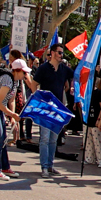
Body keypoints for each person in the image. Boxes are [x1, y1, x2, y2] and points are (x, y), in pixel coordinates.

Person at [30, 44, 72, 174]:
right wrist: (39, 99)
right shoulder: (43, 68)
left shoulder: (64, 69)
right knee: (44, 138)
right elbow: (33, 84)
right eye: (59, 53)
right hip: (46, 108)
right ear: (52, 53)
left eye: (62, 53)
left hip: (57, 109)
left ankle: (50, 165)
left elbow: (77, 74)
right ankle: (44, 166)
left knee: (53, 139)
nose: (61, 55)